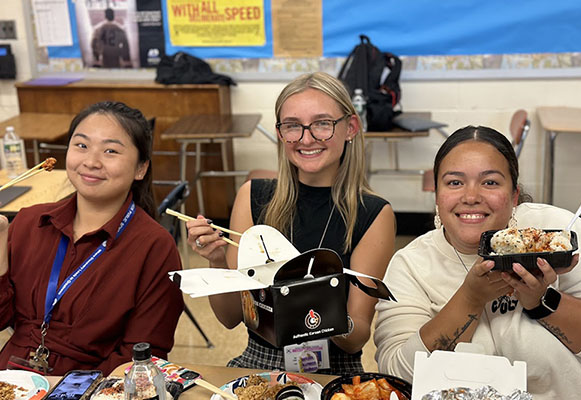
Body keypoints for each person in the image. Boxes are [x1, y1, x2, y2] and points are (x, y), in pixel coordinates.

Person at [186, 72, 396, 374]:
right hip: (258, 365)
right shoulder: (253, 197)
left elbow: (357, 336)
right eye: (293, 126)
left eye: (323, 124)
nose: (306, 138)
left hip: (333, 372)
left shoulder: (373, 213)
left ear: (350, 127)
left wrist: (318, 305)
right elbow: (231, 318)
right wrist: (217, 260)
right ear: (281, 133)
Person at [374, 126, 581, 398]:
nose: (471, 197)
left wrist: (542, 302)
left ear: (515, 194)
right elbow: (396, 378)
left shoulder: (559, 237)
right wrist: (470, 299)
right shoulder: (411, 265)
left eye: (490, 182)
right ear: (436, 196)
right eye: (455, 183)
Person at [0, 101, 184, 376]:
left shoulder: (155, 247)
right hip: (12, 382)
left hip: (93, 388)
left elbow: (143, 357)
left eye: (110, 151)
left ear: (141, 169)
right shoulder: (29, 221)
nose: (91, 161)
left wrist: (67, 390)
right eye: (81, 146)